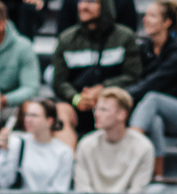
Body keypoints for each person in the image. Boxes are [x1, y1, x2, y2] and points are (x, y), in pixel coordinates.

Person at [52, 0, 141, 137]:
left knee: (114, 108)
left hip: (112, 100)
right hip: (77, 102)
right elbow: (59, 82)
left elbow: (133, 75)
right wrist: (76, 99)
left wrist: (103, 90)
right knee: (60, 112)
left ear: (105, 6)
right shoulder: (66, 39)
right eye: (81, 1)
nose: (83, 6)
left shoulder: (125, 37)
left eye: (91, 2)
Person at [128, 1, 177, 180]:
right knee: (154, 121)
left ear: (167, 22)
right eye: (146, 15)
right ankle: (158, 175)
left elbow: (154, 83)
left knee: (152, 98)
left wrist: (125, 96)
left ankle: (129, 147)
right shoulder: (144, 49)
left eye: (152, 16)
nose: (145, 19)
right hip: (154, 112)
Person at [74, 86, 155, 192]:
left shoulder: (143, 147)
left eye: (104, 110)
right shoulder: (86, 145)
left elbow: (138, 192)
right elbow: (82, 189)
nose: (96, 114)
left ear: (121, 114)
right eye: (96, 109)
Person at [0, 96, 74, 190]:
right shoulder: (16, 142)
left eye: (34, 115)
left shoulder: (64, 152)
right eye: (26, 115)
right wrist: (4, 152)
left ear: (49, 121)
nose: (28, 119)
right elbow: (2, 182)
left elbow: (60, 188)